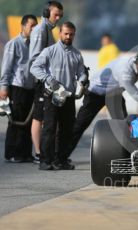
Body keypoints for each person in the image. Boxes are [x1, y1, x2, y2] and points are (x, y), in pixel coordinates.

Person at [64, 48, 138, 159]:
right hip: (96, 93)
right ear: (137, 60)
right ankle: (61, 157)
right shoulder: (125, 71)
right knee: (79, 125)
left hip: (113, 94)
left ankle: (126, 157)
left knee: (123, 126)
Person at [30, 22, 87, 170]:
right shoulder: (49, 51)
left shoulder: (76, 54)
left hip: (68, 96)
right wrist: (49, 80)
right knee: (49, 128)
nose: (68, 36)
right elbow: (34, 67)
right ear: (60, 33)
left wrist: (82, 81)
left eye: (71, 34)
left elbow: (81, 72)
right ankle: (45, 161)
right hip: (52, 96)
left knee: (67, 129)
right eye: (66, 33)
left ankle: (61, 160)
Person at [29, 1, 63, 164]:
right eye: (55, 14)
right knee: (38, 117)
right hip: (43, 80)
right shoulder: (40, 30)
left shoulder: (49, 30)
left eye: (60, 16)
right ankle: (37, 152)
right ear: (46, 13)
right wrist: (45, 77)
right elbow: (35, 58)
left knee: (46, 117)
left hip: (49, 80)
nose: (57, 18)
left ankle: (44, 151)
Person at [0, 15, 38, 163]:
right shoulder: (14, 44)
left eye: (36, 26)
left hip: (30, 88)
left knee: (28, 121)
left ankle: (25, 153)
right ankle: (12, 153)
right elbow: (7, 67)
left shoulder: (35, 46)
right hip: (17, 87)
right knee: (16, 120)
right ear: (23, 26)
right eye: (31, 26)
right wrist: (3, 87)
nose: (34, 29)